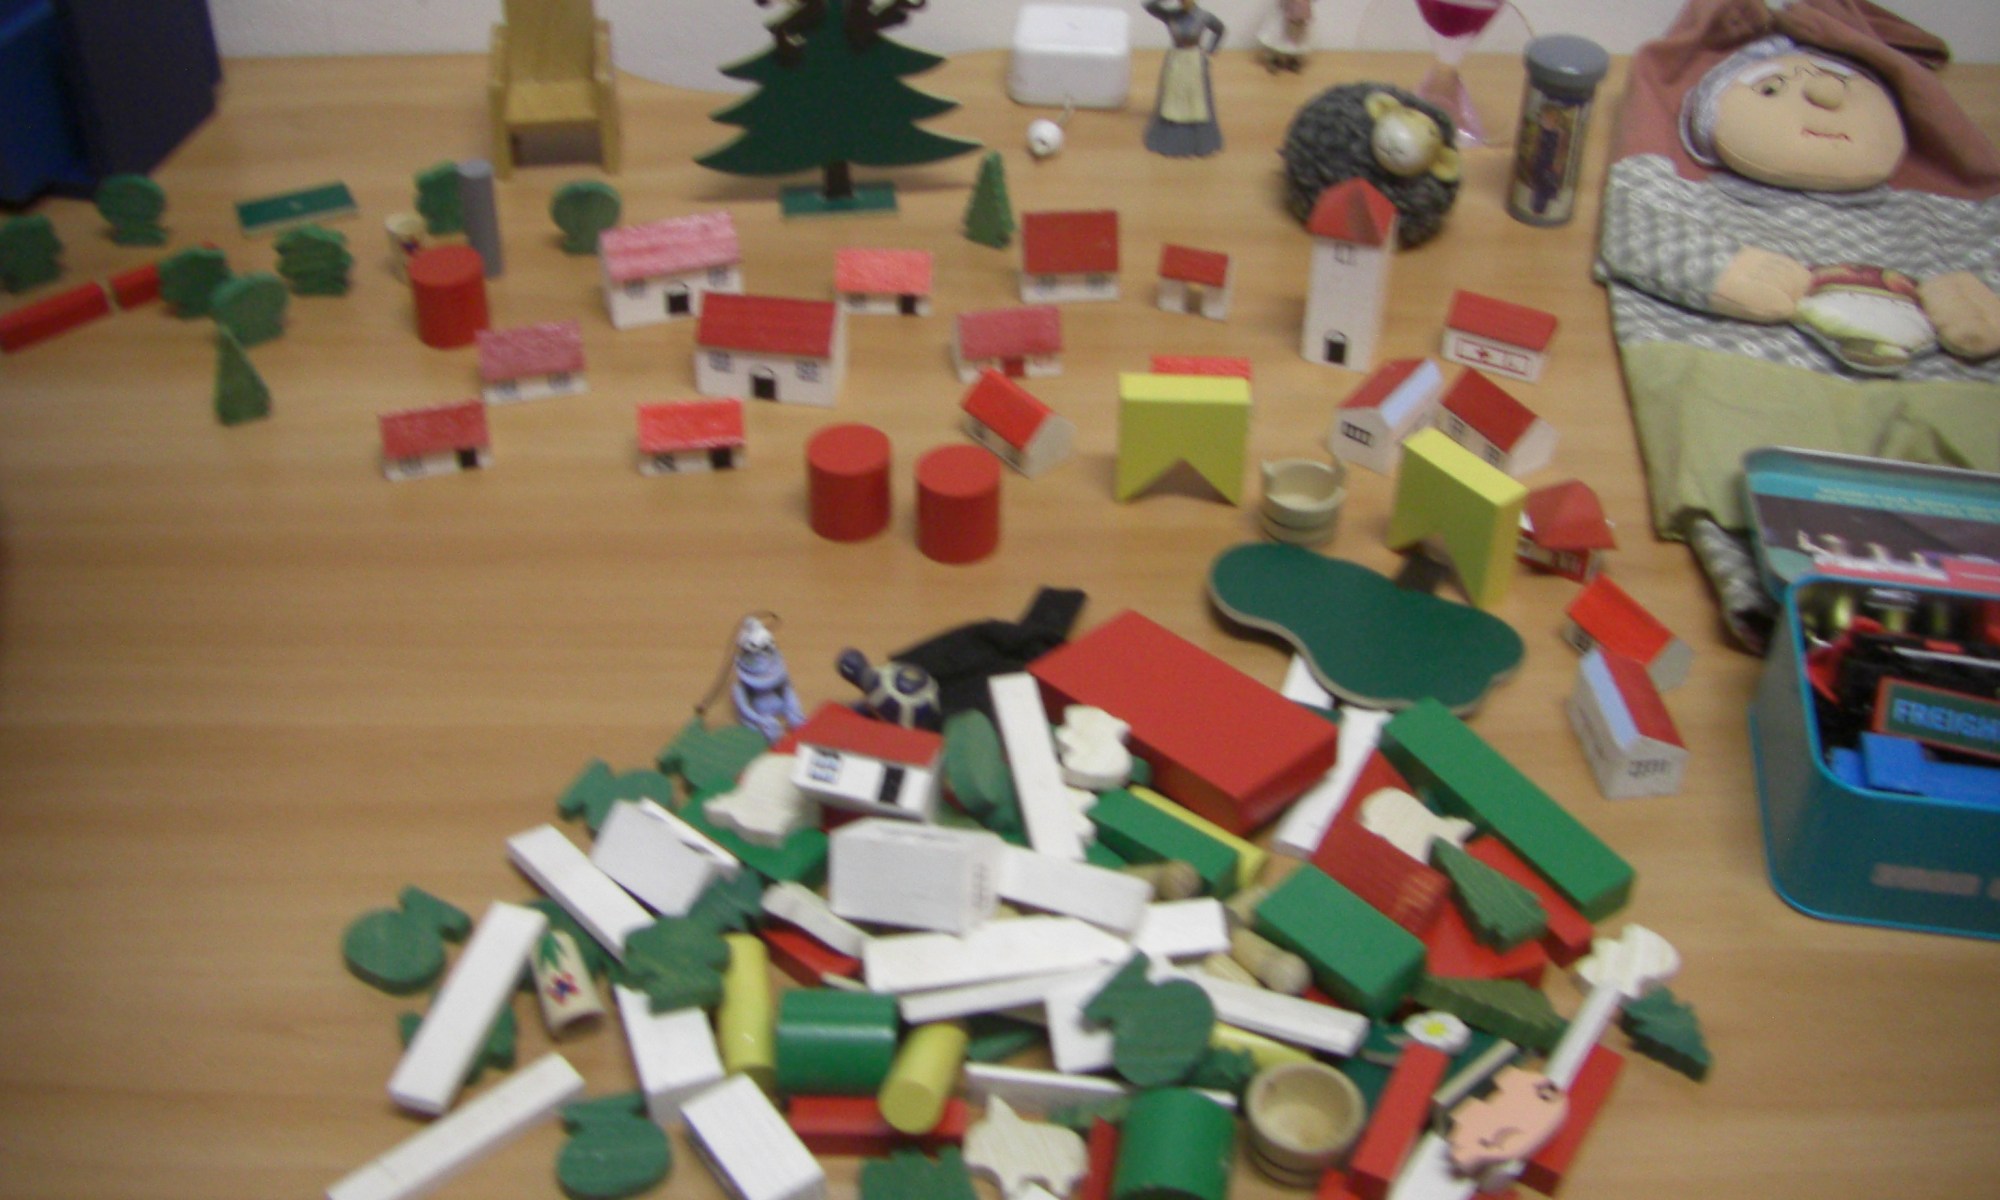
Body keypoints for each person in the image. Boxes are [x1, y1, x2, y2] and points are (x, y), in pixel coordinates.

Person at [1144, 0, 1226, 158]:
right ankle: (1171, 134)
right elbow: (1150, 7)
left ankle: (1197, 138)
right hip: (1176, 60)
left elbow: (1220, 29)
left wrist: (1210, 50)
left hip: (1194, 61)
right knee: (1173, 96)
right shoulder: (1171, 16)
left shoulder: (1203, 16)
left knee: (1195, 97)